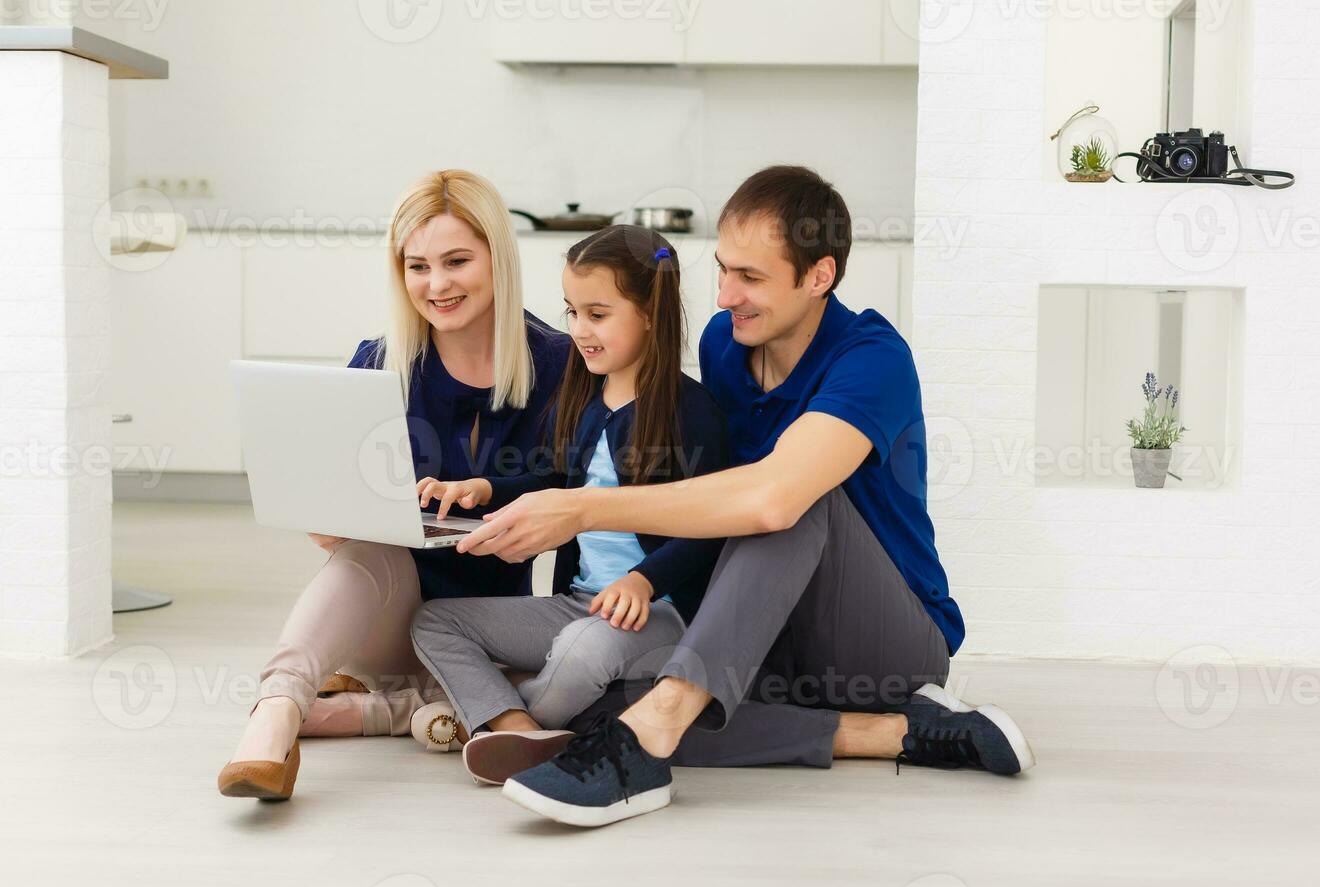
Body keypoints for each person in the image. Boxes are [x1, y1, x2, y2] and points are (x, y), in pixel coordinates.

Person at [452, 165, 1037, 827]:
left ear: (819, 276)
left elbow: (769, 500)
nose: (726, 296)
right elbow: (706, 493)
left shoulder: (873, 359)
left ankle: (650, 741)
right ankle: (891, 734)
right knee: (597, 700)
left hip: (881, 643)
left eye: (751, 278)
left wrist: (584, 506)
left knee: (790, 495)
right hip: (769, 635)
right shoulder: (726, 346)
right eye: (724, 270)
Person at [216, 169, 568, 802]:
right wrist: (328, 517)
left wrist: (495, 499)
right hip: (381, 615)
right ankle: (276, 711)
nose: (437, 285)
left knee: (560, 693)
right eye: (418, 267)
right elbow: (332, 509)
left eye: (457, 261)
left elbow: (572, 495)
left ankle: (388, 710)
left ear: (498, 256)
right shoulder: (378, 362)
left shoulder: (560, 363)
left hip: (485, 628)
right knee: (367, 549)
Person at [410, 226, 731, 786]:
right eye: (572, 312)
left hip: (656, 612)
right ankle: (516, 728)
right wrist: (485, 488)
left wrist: (644, 581)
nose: (579, 331)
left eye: (598, 314)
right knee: (435, 621)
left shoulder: (692, 410)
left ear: (651, 311)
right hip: (576, 603)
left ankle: (486, 716)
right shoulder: (585, 395)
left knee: (581, 654)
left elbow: (712, 526)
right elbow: (559, 482)